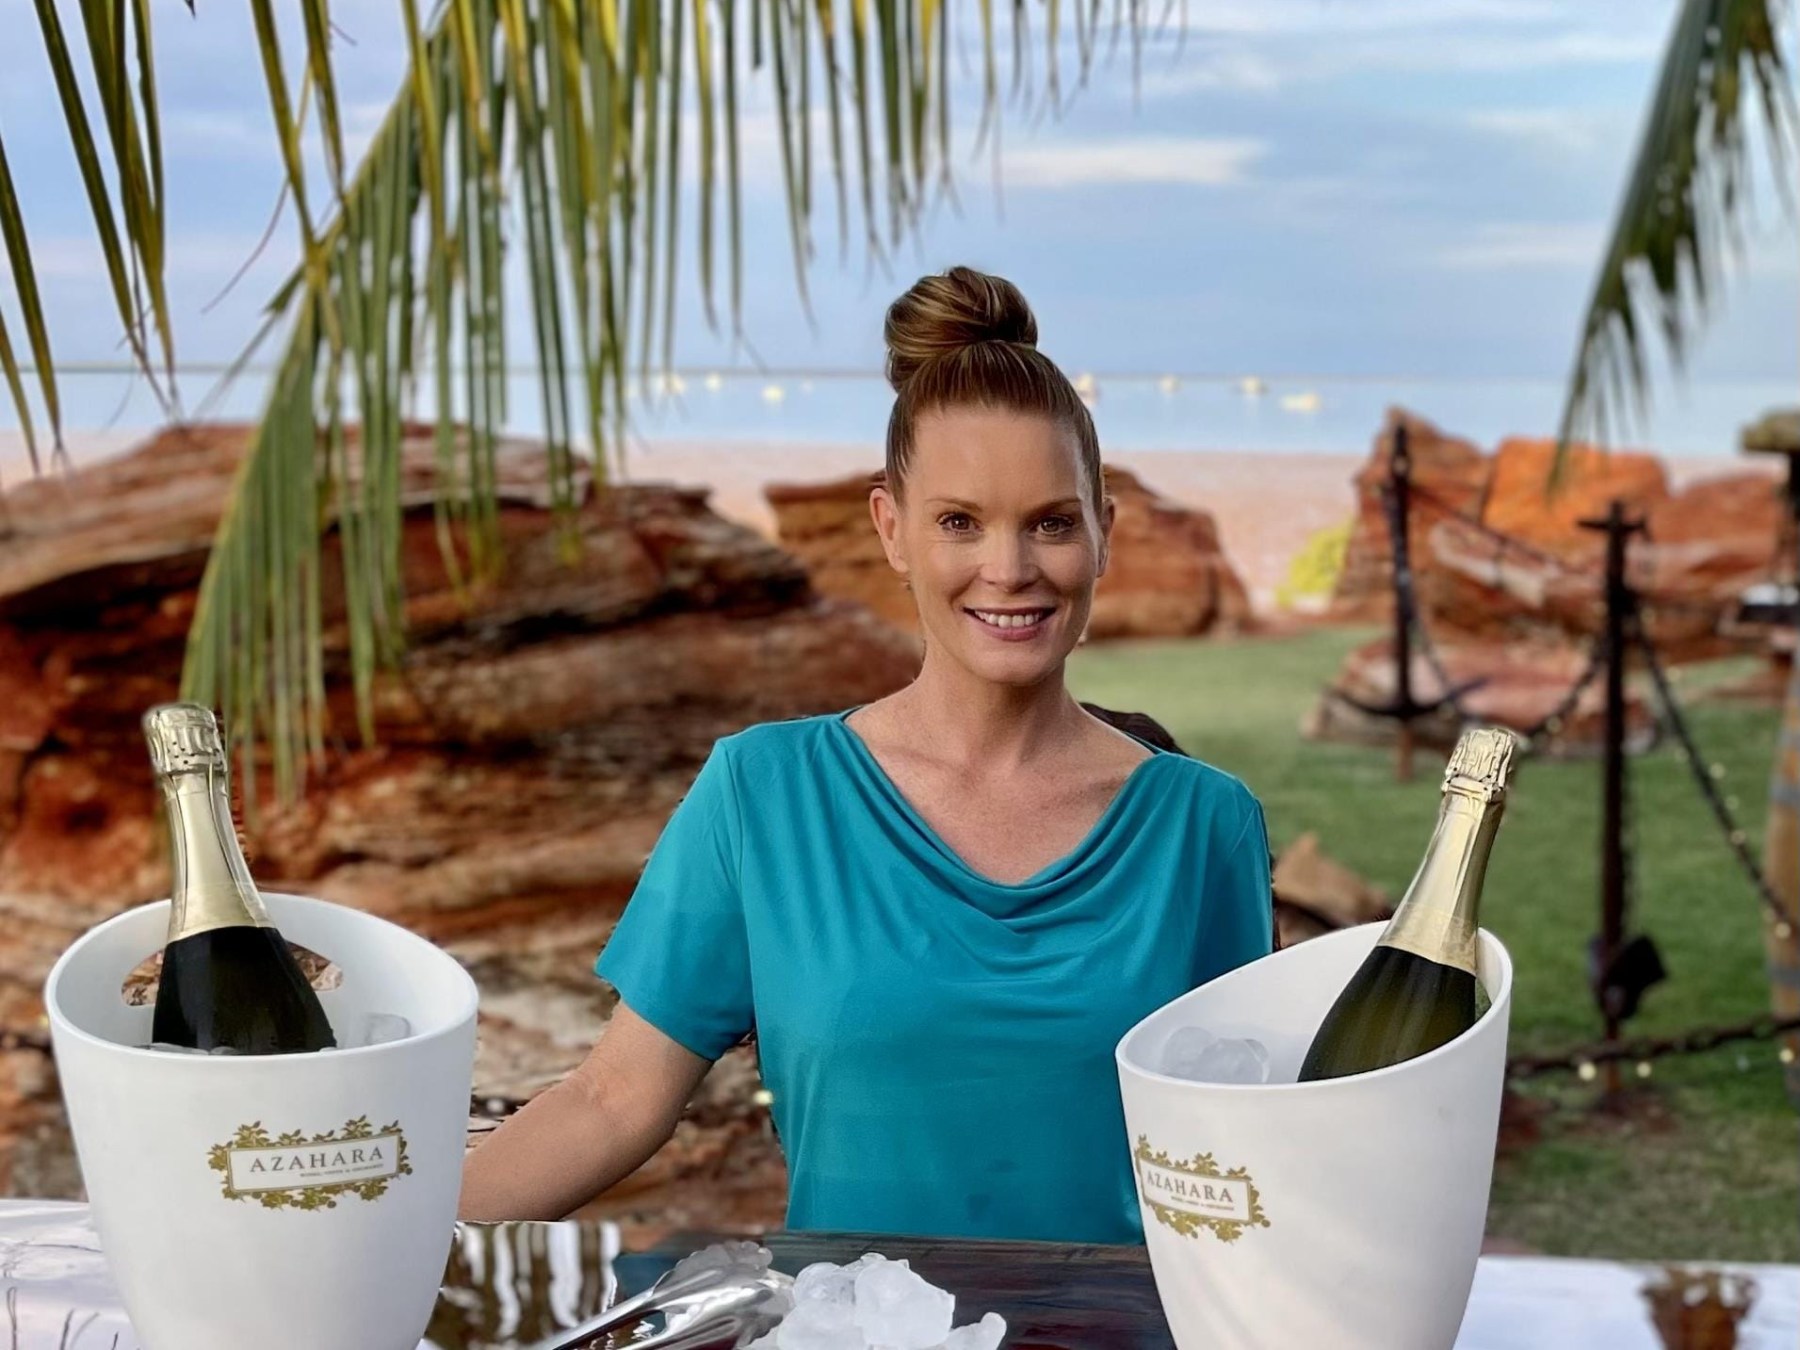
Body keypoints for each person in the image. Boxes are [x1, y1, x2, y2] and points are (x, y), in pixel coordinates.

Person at [458, 265, 1275, 1244]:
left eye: (1052, 523)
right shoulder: (764, 795)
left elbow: (1242, 1158)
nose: (1009, 570)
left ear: (1105, 533)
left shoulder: (1204, 824)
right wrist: (371, 1276)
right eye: (959, 522)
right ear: (892, 530)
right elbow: (612, 1100)